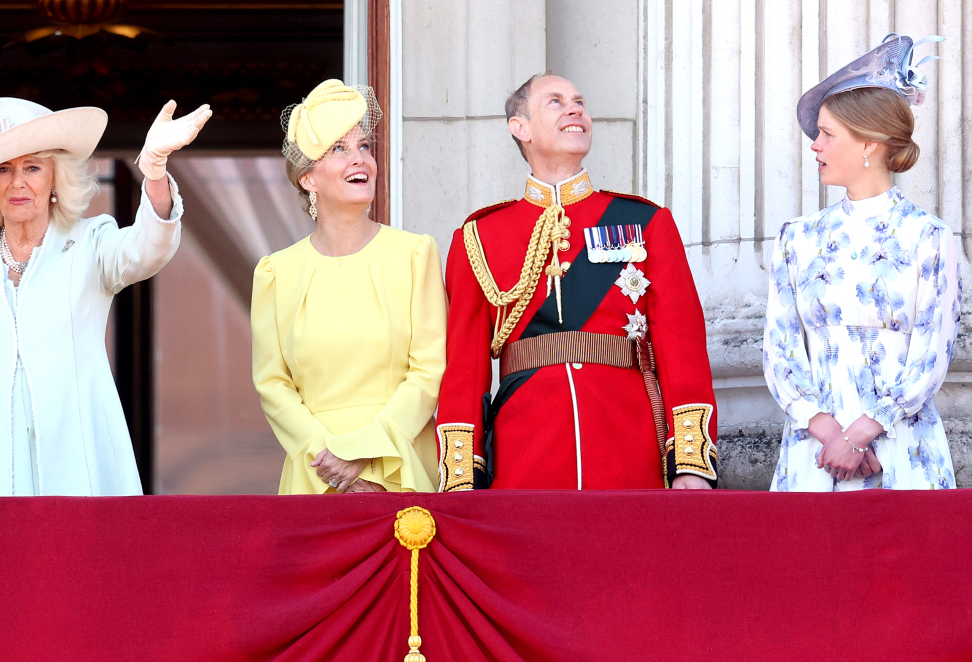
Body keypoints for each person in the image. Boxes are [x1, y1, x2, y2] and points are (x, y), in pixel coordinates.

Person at [0, 94, 209, 497]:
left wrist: (156, 170)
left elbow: (147, 248)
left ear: (56, 177)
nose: (18, 182)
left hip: (80, 471)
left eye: (33, 167)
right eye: (4, 169)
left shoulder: (91, 243)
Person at [436, 74, 718, 490]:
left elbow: (682, 349)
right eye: (556, 101)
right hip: (524, 453)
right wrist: (462, 480)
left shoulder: (644, 221)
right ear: (520, 127)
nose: (575, 109)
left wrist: (691, 465)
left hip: (629, 443)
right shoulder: (479, 237)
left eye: (579, 101)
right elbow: (464, 369)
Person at [763, 34, 959, 491]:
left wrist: (863, 432)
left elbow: (933, 353)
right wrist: (829, 432)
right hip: (814, 456)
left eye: (828, 134)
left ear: (869, 143)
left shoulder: (928, 237)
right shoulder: (798, 238)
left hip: (902, 454)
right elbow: (780, 348)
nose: (815, 146)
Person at [251, 81, 445, 494]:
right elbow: (272, 384)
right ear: (308, 180)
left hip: (400, 465)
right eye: (339, 149)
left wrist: (365, 454)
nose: (361, 159)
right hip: (314, 473)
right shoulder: (275, 273)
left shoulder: (415, 254)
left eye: (365, 146)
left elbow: (428, 372)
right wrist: (330, 461)